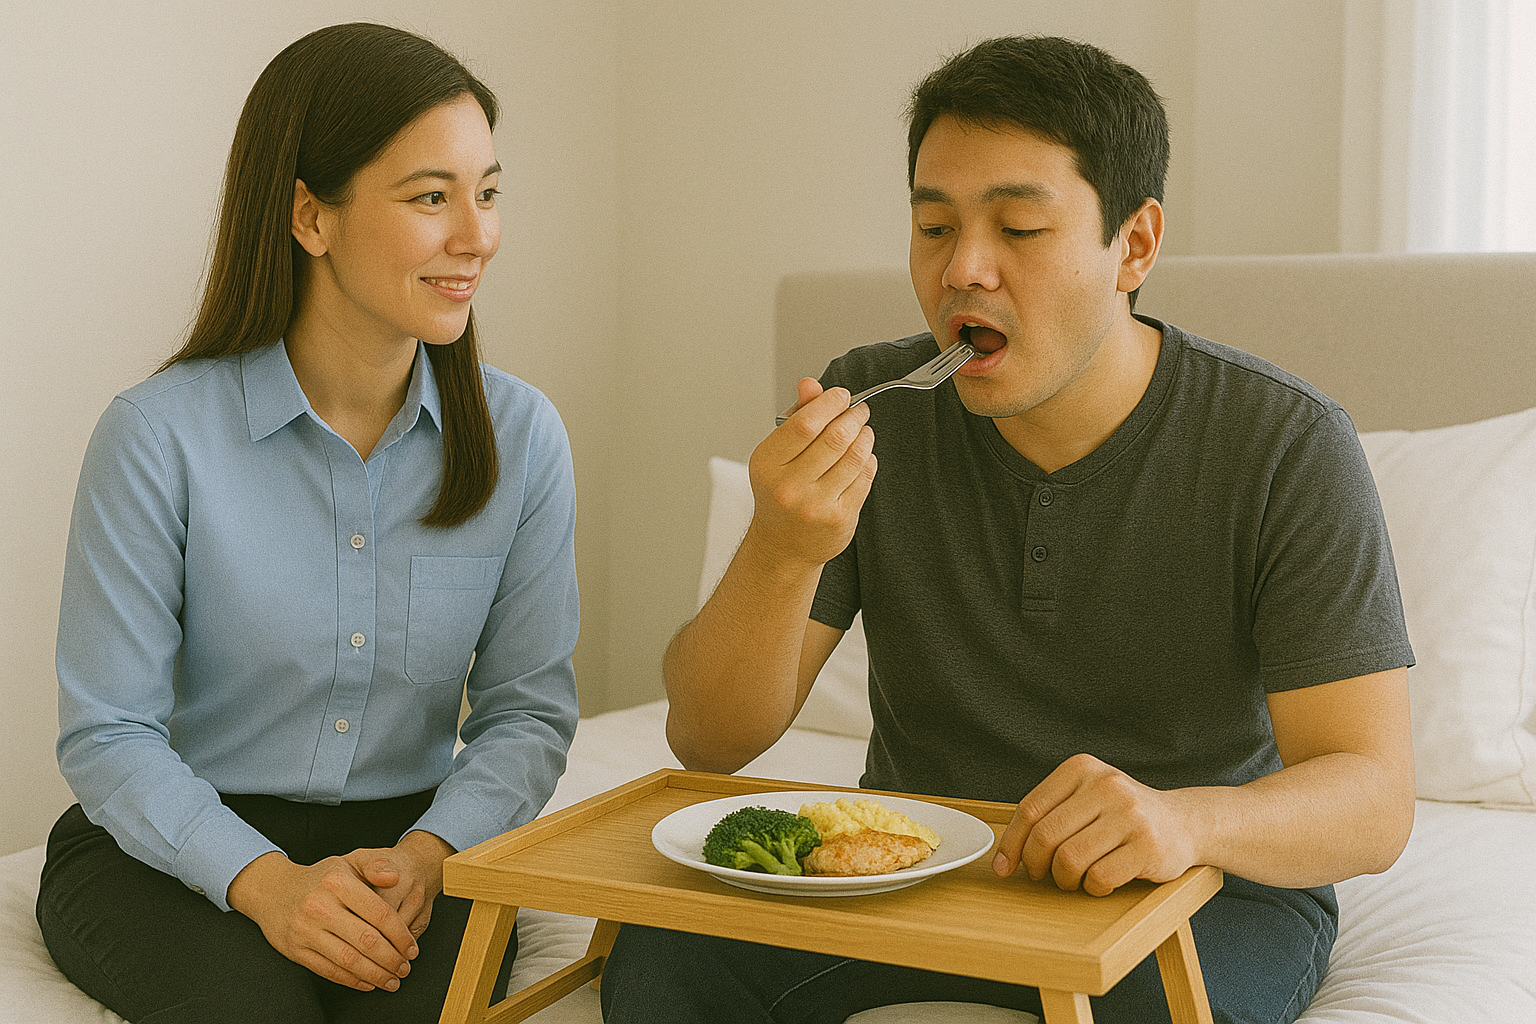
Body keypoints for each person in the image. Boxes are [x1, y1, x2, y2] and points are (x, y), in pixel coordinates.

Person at [599, 35, 1415, 1024]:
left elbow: (1373, 794)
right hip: (913, 866)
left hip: (1194, 888)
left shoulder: (1285, 443)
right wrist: (779, 550)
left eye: (1019, 227)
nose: (963, 269)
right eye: (933, 226)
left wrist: (1179, 820)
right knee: (660, 965)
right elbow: (708, 738)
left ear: (1137, 245)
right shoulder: (877, 407)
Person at [36, 23, 580, 1024]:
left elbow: (527, 714)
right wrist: (266, 882)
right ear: (309, 216)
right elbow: (109, 732)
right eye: (431, 197)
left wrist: (430, 854)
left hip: (411, 851)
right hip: (171, 848)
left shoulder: (523, 437)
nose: (478, 234)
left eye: (488, 192)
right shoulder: (157, 436)